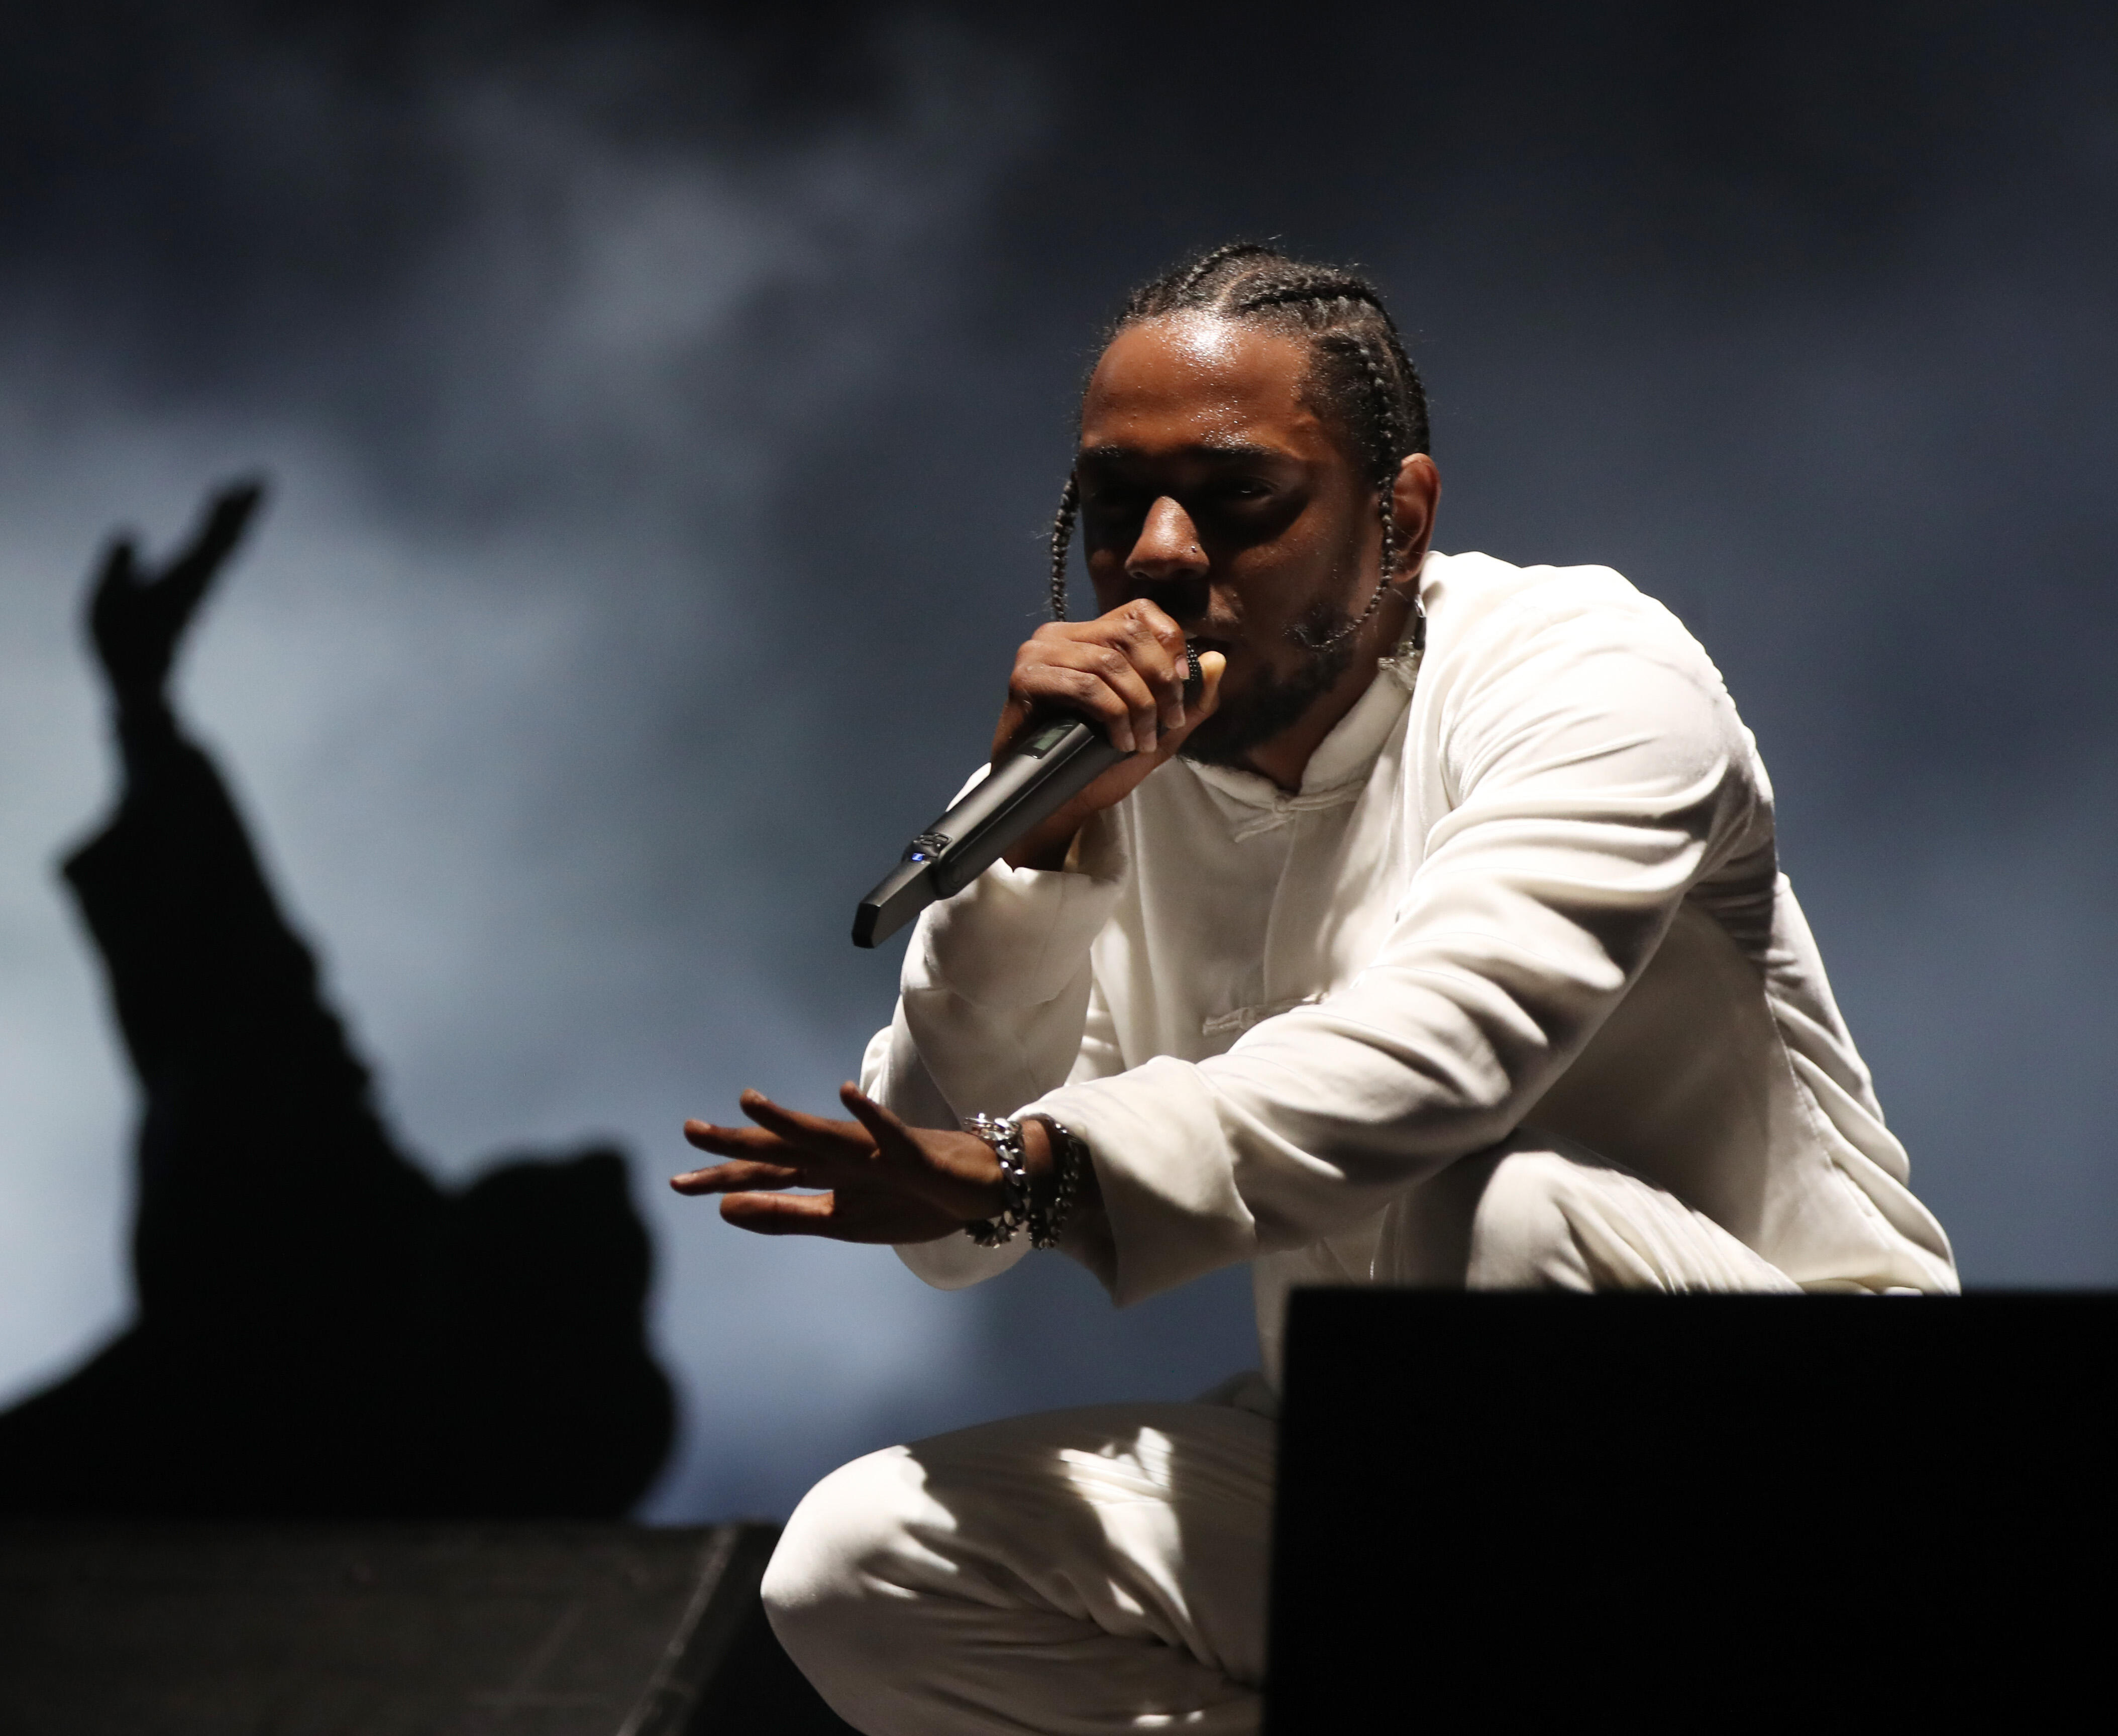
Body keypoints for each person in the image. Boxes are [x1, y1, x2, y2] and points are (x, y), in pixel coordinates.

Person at [669, 243, 1957, 1733]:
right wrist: (1036, 858)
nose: (1157, 552)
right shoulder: (1106, 775)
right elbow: (949, 1230)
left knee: (1509, 1216)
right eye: (1112, 505)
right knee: (862, 1567)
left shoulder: (1590, 675)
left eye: (1237, 500)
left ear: (1399, 520)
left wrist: (1025, 1176)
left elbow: (1444, 1054)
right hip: (1418, 1482)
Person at [0, 481, 674, 1520]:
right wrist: (145, 710)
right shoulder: (341, 1241)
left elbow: (255, 1005)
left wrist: (146, 710)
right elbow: (256, 1002)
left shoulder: (451, 1346)